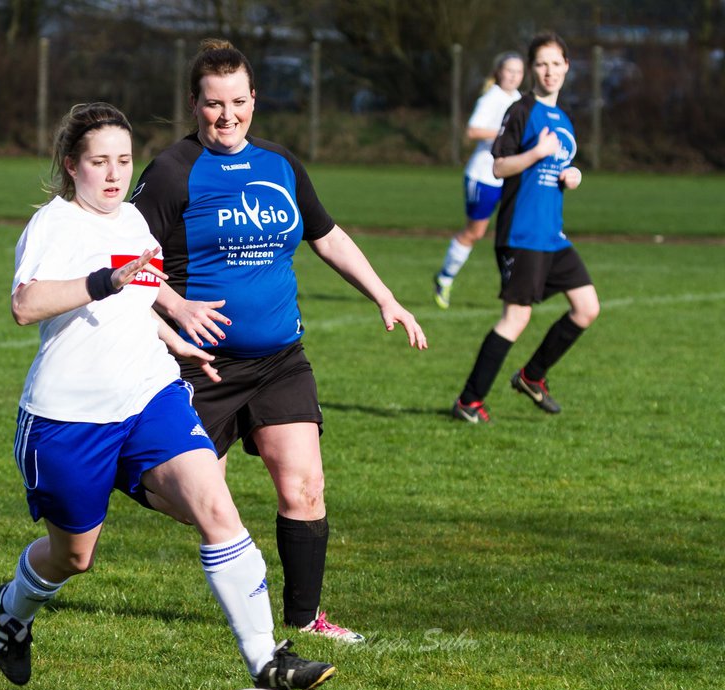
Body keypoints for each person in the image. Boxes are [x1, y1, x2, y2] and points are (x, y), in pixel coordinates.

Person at [0, 101, 335, 690]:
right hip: (69, 419)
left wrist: (178, 337)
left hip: (151, 397)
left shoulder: (130, 222)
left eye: (123, 159)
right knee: (74, 557)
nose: (114, 173)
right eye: (99, 161)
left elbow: (141, 298)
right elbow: (26, 305)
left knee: (217, 508)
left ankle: (266, 659)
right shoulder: (55, 224)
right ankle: (13, 608)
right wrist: (102, 282)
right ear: (72, 166)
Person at [130, 40, 427, 645]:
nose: (227, 115)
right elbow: (128, 263)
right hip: (200, 367)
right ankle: (123, 468)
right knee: (188, 499)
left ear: (254, 100)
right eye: (214, 104)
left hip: (280, 362)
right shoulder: (170, 172)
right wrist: (176, 305)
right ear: (194, 105)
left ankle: (304, 619)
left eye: (238, 101)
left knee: (304, 487)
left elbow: (327, 235)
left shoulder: (281, 164)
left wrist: (385, 295)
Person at [451, 31, 599, 423]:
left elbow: (559, 167)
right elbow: (500, 166)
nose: (549, 71)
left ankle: (533, 376)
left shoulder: (564, 118)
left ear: (567, 66)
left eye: (556, 63)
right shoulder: (521, 110)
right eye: (541, 64)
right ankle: (468, 401)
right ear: (532, 69)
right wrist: (535, 153)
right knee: (516, 318)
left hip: (553, 234)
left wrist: (572, 175)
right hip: (522, 233)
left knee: (587, 308)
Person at [432, 51, 525, 309]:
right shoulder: (492, 98)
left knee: (514, 230)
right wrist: (506, 134)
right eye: (509, 70)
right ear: (499, 72)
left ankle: (512, 286)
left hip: (508, 177)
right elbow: (473, 130)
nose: (514, 76)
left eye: (519, 72)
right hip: (483, 175)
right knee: (475, 232)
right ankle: (444, 277)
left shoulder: (520, 100)